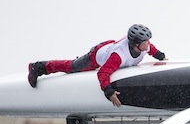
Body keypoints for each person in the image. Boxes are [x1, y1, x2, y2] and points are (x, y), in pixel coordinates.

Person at [27, 24, 166, 107]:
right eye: (145, 41)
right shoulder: (118, 57)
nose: (148, 44)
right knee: (72, 67)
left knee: (75, 66)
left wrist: (162, 56)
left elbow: (153, 50)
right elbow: (102, 73)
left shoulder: (145, 46)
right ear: (136, 43)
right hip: (96, 56)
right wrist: (109, 92)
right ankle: (38, 67)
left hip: (110, 45)